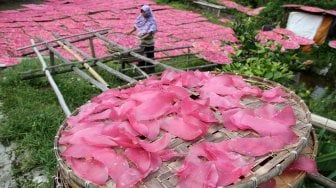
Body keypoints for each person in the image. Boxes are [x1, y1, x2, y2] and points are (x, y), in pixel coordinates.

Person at [128, 5, 157, 72]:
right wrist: (129, 32)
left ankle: (151, 68)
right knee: (141, 54)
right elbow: (136, 26)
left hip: (149, 42)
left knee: (150, 55)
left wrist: (142, 38)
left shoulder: (152, 20)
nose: (143, 13)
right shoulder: (140, 17)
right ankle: (142, 67)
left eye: (144, 12)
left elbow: (150, 32)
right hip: (141, 41)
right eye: (142, 12)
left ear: (148, 12)